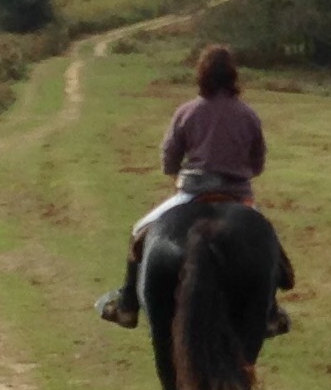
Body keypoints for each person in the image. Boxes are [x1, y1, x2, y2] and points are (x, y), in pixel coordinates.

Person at [94, 44, 285, 335]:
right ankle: (269, 311)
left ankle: (128, 305)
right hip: (238, 196)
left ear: (201, 74)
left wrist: (176, 173)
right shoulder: (248, 115)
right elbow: (257, 163)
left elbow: (169, 158)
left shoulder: (187, 112)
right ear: (233, 75)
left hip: (192, 194)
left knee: (139, 232)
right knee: (267, 241)